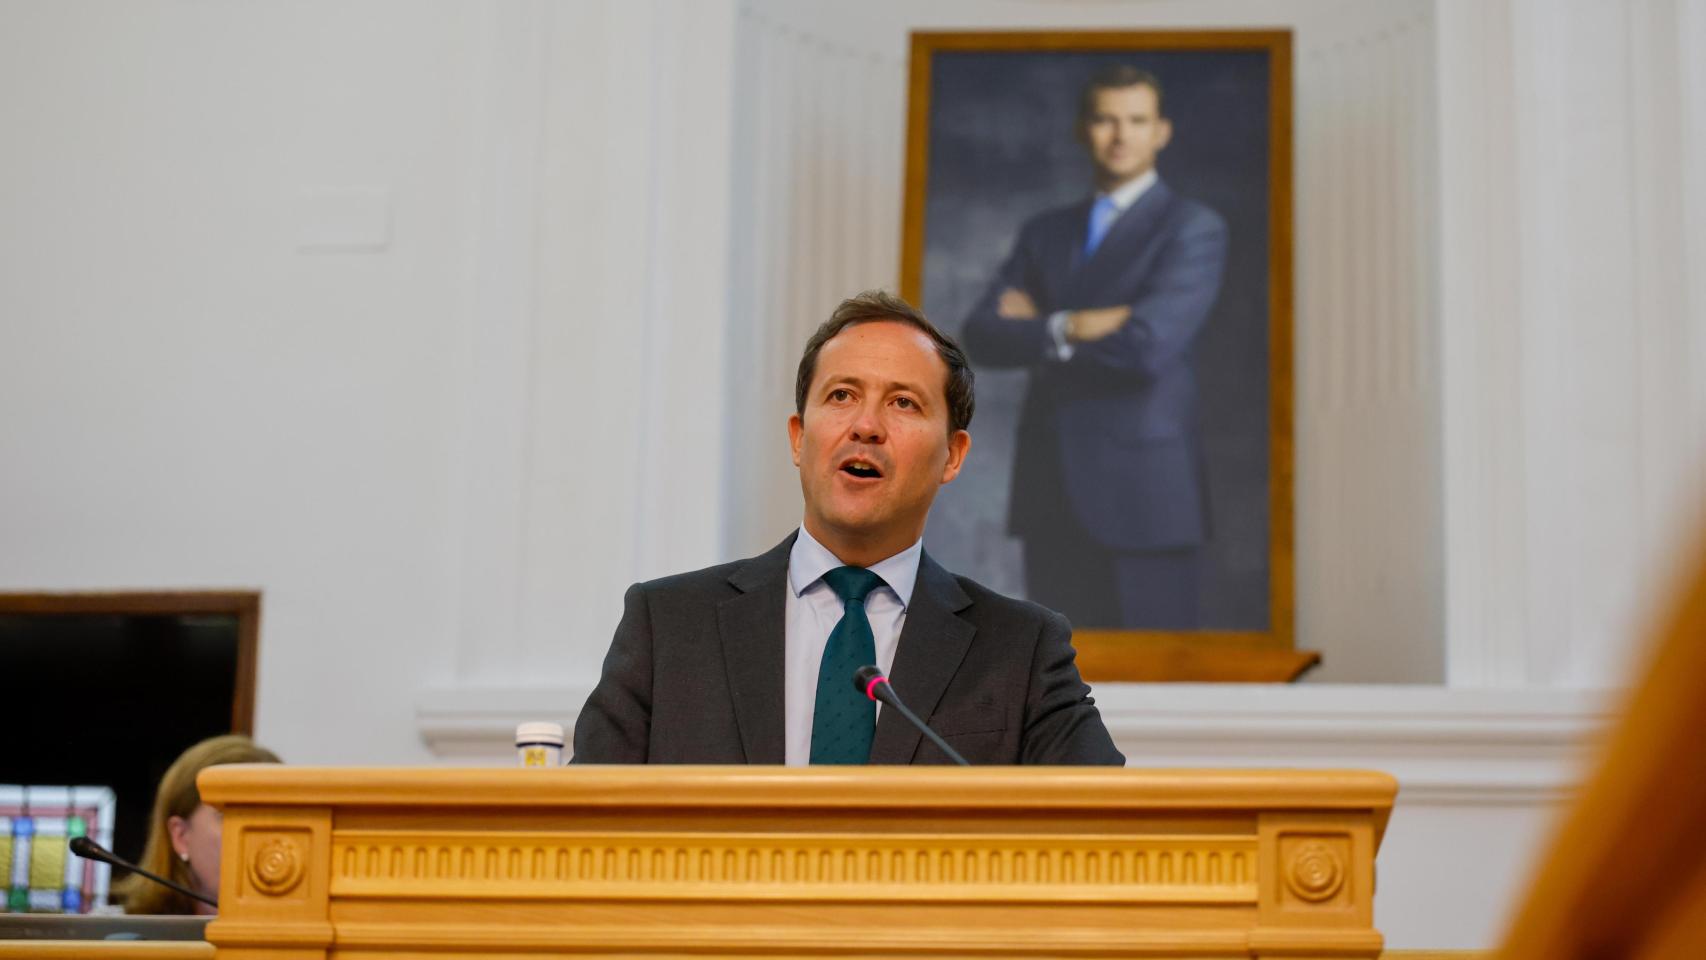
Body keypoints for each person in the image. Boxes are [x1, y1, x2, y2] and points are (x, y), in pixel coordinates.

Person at [573, 291, 1122, 765]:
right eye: (841, 396)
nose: (865, 426)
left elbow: (1110, 834)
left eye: (903, 402)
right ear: (798, 437)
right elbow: (581, 834)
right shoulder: (668, 626)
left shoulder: (1022, 651)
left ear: (953, 456)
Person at [961, 65, 1229, 630]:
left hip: (1146, 495)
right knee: (1058, 691)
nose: (1120, 135)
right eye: (1106, 119)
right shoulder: (1045, 231)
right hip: (1050, 487)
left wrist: (1037, 330)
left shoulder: (1191, 228)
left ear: (1162, 132)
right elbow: (983, 333)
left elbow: (1145, 349)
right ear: (1084, 130)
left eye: (1136, 120)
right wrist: (1074, 325)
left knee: (1156, 695)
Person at [115, 734, 281, 915]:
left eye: (272, 818)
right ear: (181, 836)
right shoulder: (111, 936)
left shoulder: (310, 935)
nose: (258, 835)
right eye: (232, 816)